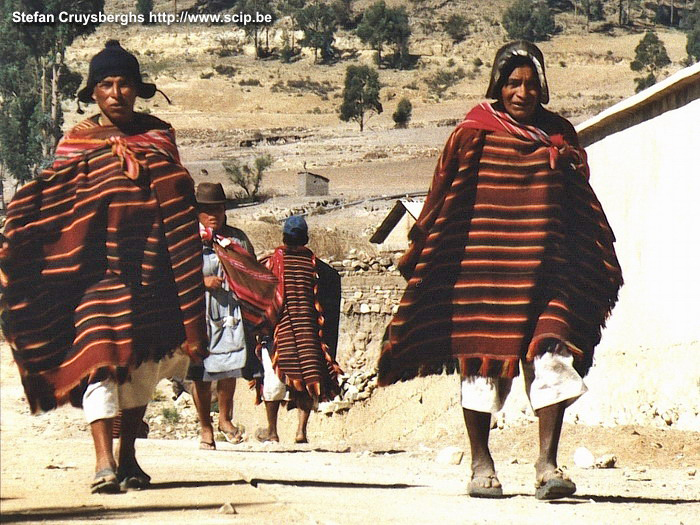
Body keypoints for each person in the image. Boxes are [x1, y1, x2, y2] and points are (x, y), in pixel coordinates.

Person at [377, 41, 622, 500]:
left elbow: (580, 202)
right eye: (513, 82)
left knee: (552, 356)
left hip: (549, 271)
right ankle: (481, 464)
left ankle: (547, 465)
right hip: (485, 269)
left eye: (531, 84)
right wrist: (429, 246)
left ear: (542, 87)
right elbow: (445, 194)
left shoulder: (560, 136)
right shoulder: (474, 132)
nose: (522, 92)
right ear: (497, 84)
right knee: (482, 368)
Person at [0, 40, 207, 493]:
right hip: (93, 277)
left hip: (152, 272)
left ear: (138, 89)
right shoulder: (76, 142)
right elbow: (53, 204)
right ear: (93, 92)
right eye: (106, 84)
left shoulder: (159, 136)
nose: (116, 93)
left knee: (140, 369)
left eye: (125, 84)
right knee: (99, 361)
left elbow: (178, 191)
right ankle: (103, 461)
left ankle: (129, 456)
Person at [256, 216, 342, 444]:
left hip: (279, 333)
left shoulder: (268, 264)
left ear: (283, 236)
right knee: (307, 380)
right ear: (306, 238)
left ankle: (279, 431)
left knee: (275, 383)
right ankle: (293, 431)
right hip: (308, 334)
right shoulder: (321, 271)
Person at [188, 182, 255, 450]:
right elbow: (175, 274)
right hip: (198, 312)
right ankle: (205, 426)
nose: (212, 215)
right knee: (200, 372)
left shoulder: (236, 239)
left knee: (230, 366)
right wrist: (202, 282)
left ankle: (225, 418)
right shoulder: (189, 241)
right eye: (206, 210)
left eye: (217, 208)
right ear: (197, 212)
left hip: (230, 313)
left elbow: (252, 271)